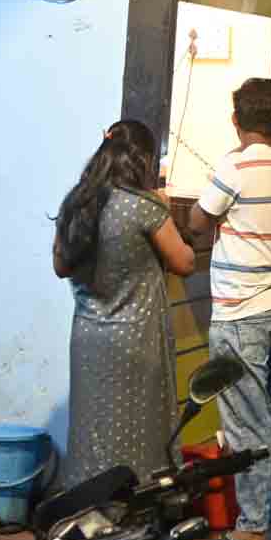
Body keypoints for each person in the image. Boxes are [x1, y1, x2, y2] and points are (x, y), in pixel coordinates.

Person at [189, 79, 271, 540]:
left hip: (243, 311)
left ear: (235, 119)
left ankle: (251, 531)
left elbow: (199, 220)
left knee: (245, 423)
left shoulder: (233, 166)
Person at [53, 120, 196, 489]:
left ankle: (91, 507)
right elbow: (184, 262)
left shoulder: (77, 202)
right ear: (144, 160)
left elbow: (60, 266)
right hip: (137, 339)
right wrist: (166, 210)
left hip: (89, 339)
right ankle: (136, 507)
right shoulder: (144, 206)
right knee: (140, 429)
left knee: (92, 429)